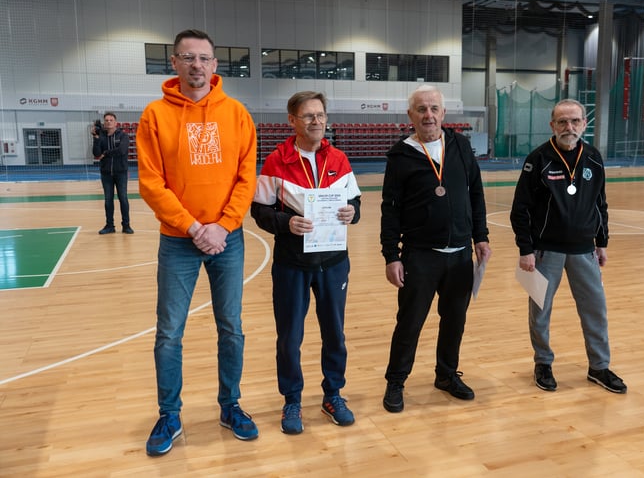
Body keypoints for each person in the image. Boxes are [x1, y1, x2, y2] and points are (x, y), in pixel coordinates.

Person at [136, 29, 259, 456]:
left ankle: (230, 405)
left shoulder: (237, 114)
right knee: (169, 333)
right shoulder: (155, 115)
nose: (196, 65)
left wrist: (223, 226)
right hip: (178, 241)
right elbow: (151, 183)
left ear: (215, 65)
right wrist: (192, 227)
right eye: (188, 57)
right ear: (174, 63)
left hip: (228, 239)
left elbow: (247, 177)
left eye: (204, 58)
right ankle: (169, 414)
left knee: (232, 328)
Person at [251, 91, 361, 435]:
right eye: (308, 115)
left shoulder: (339, 159)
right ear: (292, 121)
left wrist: (353, 212)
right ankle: (292, 399)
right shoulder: (276, 162)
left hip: (334, 262)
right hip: (292, 264)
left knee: (335, 334)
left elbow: (355, 202)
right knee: (289, 337)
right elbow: (259, 210)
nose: (316, 121)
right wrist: (286, 223)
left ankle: (333, 394)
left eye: (320, 115)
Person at [380, 84, 491, 413]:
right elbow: (390, 210)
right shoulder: (400, 156)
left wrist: (481, 236)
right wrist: (391, 256)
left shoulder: (460, 145)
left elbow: (476, 193)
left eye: (434, 109)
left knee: (455, 320)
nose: (428, 115)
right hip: (420, 256)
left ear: (443, 113)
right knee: (410, 322)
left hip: (460, 255)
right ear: (410, 115)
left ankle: (446, 375)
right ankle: (396, 381)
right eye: (421, 109)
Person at [510, 98, 627, 395]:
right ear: (552, 125)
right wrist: (525, 249)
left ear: (584, 124)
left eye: (575, 121)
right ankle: (543, 363)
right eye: (562, 121)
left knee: (595, 310)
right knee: (540, 311)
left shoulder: (594, 158)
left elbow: (600, 203)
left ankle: (599, 366)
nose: (569, 127)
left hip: (584, 250)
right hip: (544, 252)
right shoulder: (538, 159)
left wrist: (601, 242)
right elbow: (520, 209)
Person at [92, 112, 133, 234]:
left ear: (115, 123)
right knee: (108, 200)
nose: (108, 122)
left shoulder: (123, 136)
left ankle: (126, 225)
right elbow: (96, 153)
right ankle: (110, 226)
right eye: (106, 120)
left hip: (121, 173)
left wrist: (106, 153)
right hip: (106, 173)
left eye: (111, 120)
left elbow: (122, 150)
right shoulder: (101, 136)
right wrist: (96, 138)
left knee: (123, 198)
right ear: (104, 123)